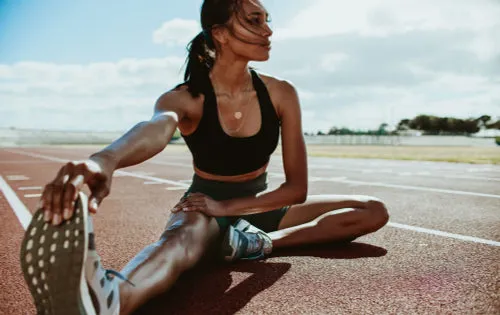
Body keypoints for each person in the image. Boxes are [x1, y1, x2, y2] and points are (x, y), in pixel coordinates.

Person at [20, 0, 390, 314]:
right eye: (253, 20)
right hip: (201, 208)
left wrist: (230, 211)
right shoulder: (184, 98)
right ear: (221, 33)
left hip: (259, 208)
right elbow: (155, 129)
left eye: (267, 20)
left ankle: (257, 243)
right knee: (176, 246)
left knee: (372, 210)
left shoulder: (281, 94)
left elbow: (297, 189)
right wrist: (106, 159)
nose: (268, 31)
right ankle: (112, 297)